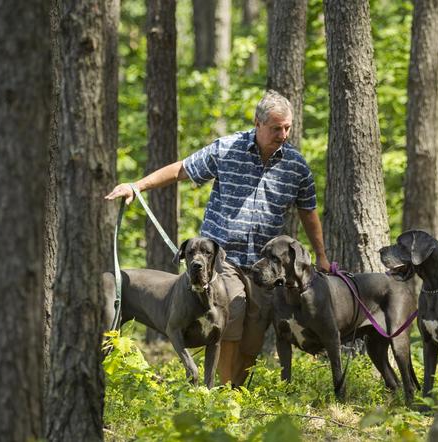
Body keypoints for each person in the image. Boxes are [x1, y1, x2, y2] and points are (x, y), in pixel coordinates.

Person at [105, 89, 330, 385]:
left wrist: (321, 256)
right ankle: (221, 395)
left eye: (287, 127)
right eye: (276, 128)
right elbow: (181, 170)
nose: (283, 134)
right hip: (223, 259)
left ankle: (234, 391)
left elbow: (308, 211)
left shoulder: (296, 166)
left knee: (254, 333)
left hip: (264, 266)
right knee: (231, 321)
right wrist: (137, 186)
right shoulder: (227, 148)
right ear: (258, 123)